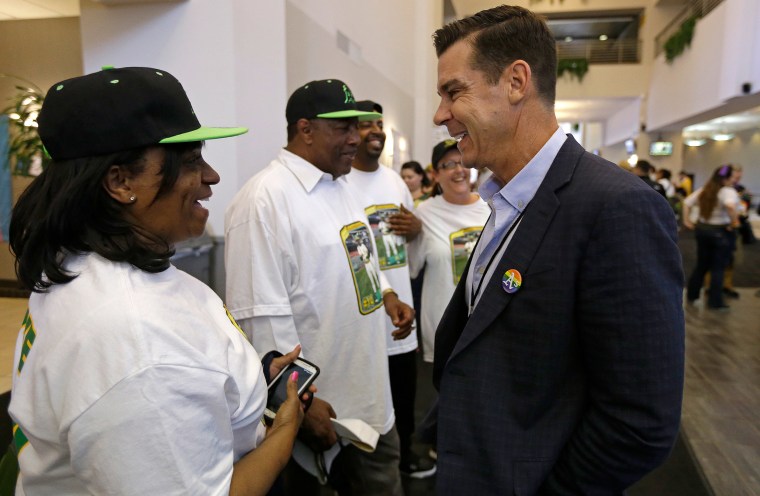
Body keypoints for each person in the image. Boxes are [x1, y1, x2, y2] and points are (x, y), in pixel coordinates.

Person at [7, 66, 310, 495]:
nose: (211, 176)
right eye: (189, 162)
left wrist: (250, 376)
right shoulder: (134, 337)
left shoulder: (82, 267)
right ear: (120, 180)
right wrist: (284, 432)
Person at [430, 6, 685, 494]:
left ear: (516, 81)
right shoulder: (506, 199)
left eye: (453, 92)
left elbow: (640, 423)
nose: (440, 114)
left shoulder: (616, 208)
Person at [224, 80, 415, 495]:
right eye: (343, 128)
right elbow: (261, 323)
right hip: (323, 416)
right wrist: (300, 408)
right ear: (305, 129)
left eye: (358, 127)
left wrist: (387, 296)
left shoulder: (338, 184)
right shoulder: (264, 201)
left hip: (372, 397)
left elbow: (359, 256)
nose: (356, 138)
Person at [343, 100, 435, 479]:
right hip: (365, 308)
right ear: (351, 133)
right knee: (364, 390)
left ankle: (404, 454)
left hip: (400, 301)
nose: (376, 131)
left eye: (379, 123)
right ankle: (361, 463)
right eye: (366, 125)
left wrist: (416, 230)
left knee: (404, 388)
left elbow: (412, 240)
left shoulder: (395, 181)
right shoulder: (341, 182)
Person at [408, 139, 489, 364]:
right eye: (449, 164)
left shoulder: (491, 208)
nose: (458, 169)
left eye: (463, 161)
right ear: (435, 175)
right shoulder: (423, 214)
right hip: (444, 328)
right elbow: (412, 268)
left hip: (487, 327)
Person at [683, 164, 741, 309]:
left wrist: (687, 220)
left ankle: (692, 294)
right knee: (718, 268)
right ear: (727, 178)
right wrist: (734, 222)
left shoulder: (706, 189)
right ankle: (715, 301)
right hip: (720, 231)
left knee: (702, 264)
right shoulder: (728, 191)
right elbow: (730, 206)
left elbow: (686, 202)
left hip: (703, 230)